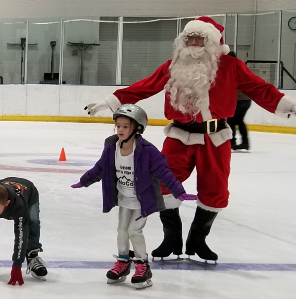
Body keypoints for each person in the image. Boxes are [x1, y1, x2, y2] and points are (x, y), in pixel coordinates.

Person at [86, 17, 296, 263]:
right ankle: (171, 238)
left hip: (215, 138)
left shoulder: (230, 66)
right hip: (178, 136)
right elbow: (144, 87)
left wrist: (288, 105)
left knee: (215, 189)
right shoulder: (173, 66)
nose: (194, 43)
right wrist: (111, 102)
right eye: (190, 39)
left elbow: (260, 89)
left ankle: (198, 240)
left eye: (200, 39)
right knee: (162, 184)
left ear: (213, 43)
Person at [72, 104, 195, 289]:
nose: (120, 130)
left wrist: (179, 192)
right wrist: (84, 181)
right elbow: (100, 168)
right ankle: (123, 262)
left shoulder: (148, 151)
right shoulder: (112, 147)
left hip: (142, 200)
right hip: (124, 199)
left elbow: (164, 173)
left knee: (134, 231)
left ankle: (143, 266)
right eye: (118, 126)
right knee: (122, 231)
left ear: (137, 129)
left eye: (125, 126)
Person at [0, 177, 48, 286]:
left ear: (6, 203)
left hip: (29, 195)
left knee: (32, 222)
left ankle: (32, 255)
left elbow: (21, 234)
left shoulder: (19, 205)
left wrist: (17, 265)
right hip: (3, 192)